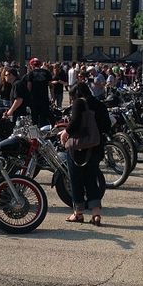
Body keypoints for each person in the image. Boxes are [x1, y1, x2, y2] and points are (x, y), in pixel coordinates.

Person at [60, 82, 111, 226]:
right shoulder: (99, 104)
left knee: (76, 179)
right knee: (91, 179)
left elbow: (75, 122)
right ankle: (96, 214)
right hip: (95, 147)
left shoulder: (79, 103)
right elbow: (107, 125)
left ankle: (78, 213)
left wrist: (66, 132)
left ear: (75, 94)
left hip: (78, 148)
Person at [26, 58, 53, 127]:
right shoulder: (47, 72)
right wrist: (52, 96)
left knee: (34, 118)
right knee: (44, 118)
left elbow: (29, 87)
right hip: (44, 98)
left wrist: (27, 97)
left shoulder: (31, 73)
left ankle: (36, 133)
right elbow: (51, 86)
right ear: (40, 64)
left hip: (34, 99)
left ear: (32, 65)